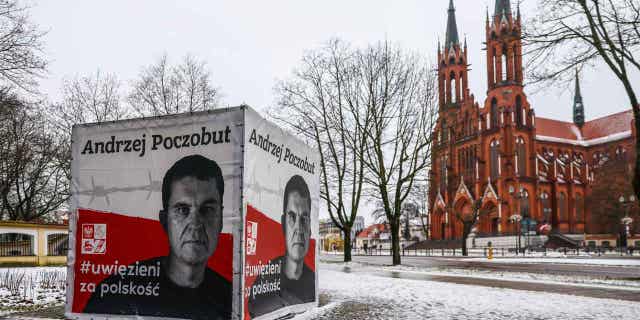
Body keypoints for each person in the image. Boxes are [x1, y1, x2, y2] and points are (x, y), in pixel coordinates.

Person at [84, 155, 231, 320]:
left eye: (207, 209)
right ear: (164, 221)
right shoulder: (113, 295)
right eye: (182, 209)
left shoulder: (230, 299)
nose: (195, 224)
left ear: (221, 220)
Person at [248, 175, 315, 318]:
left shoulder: (312, 282)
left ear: (310, 229)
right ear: (283, 224)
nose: (298, 228)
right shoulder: (264, 280)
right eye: (292, 217)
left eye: (304, 219)